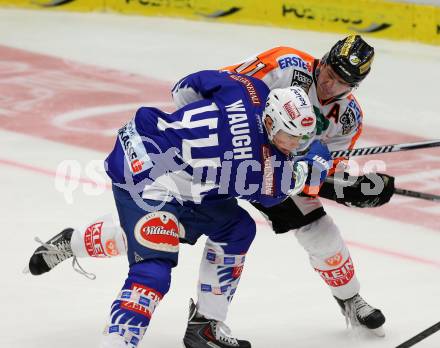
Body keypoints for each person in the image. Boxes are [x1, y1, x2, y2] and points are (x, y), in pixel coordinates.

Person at [28, 35, 393, 341]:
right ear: (323, 60)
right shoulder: (284, 64)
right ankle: (78, 245)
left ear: (353, 86)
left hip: (263, 164)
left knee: (313, 229)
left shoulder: (345, 119)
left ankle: (350, 300)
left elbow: (317, 170)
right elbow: (199, 95)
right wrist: (223, 135)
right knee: (160, 233)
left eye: (341, 83)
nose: (330, 85)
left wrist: (346, 183)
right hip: (231, 165)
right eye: (329, 73)